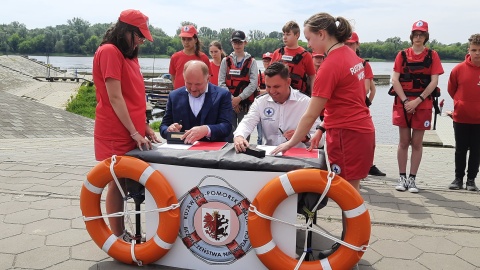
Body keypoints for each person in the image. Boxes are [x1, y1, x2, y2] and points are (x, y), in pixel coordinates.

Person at [271, 12, 375, 194]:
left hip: (346, 135)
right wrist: (321, 129)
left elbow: (311, 114)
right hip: (361, 131)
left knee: (347, 196)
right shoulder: (352, 57)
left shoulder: (329, 66)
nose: (308, 44)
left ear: (321, 34)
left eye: (309, 38)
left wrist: (290, 143)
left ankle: (354, 224)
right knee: (353, 193)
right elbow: (349, 100)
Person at [92, 9, 160, 238]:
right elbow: (115, 97)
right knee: (117, 183)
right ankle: (119, 235)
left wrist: (145, 127)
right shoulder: (110, 51)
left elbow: (134, 96)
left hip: (132, 128)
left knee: (126, 182)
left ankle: (132, 232)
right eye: (139, 36)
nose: (141, 41)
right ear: (125, 31)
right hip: (115, 130)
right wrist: (133, 132)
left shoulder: (130, 56)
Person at [391, 20, 444, 193]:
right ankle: (402, 177)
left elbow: (434, 81)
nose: (418, 37)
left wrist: (418, 100)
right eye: (415, 34)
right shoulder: (402, 55)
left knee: (417, 142)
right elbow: (395, 80)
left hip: (423, 103)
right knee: (403, 141)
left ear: (426, 36)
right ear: (412, 36)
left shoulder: (432, 55)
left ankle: (412, 179)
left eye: (421, 34)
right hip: (404, 103)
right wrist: (407, 101)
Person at [233, 62, 320, 150]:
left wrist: (305, 137)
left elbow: (321, 140)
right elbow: (247, 122)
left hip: (298, 158)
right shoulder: (260, 101)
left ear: (288, 82)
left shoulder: (306, 102)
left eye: (276, 86)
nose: (272, 91)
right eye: (268, 86)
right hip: (269, 157)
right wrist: (239, 136)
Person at [160, 60, 233, 143]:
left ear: (208, 79)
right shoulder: (174, 96)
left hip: (212, 151)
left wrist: (206, 130)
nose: (193, 88)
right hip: (182, 151)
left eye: (198, 84)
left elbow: (226, 127)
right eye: (189, 83)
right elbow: (163, 126)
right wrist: (169, 130)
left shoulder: (222, 95)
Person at [345, 32, 386, 177]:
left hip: (359, 108)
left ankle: (367, 166)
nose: (349, 46)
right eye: (346, 44)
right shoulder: (339, 62)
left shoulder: (363, 64)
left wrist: (368, 102)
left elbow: (367, 88)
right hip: (344, 109)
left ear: (357, 45)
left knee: (368, 140)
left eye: (352, 44)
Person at [447, 33, 480, 191]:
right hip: (461, 118)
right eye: (474, 50)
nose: (477, 53)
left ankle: (471, 180)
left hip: (479, 120)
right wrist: (461, 104)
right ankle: (458, 179)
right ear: (469, 50)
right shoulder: (458, 69)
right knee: (460, 149)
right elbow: (452, 89)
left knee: (476, 150)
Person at [218, 30, 259, 132]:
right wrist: (233, 100)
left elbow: (253, 83)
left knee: (244, 132)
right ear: (231, 43)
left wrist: (239, 98)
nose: (237, 45)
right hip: (229, 103)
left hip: (245, 105)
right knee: (229, 132)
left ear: (245, 43)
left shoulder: (252, 62)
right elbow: (221, 82)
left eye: (240, 42)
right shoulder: (225, 61)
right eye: (235, 42)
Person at [270, 21, 316, 96]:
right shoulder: (277, 53)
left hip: (299, 98)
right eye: (283, 34)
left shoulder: (306, 55)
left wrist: (313, 97)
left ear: (297, 35)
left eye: (288, 34)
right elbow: (269, 76)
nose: (284, 37)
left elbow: (312, 77)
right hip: (277, 96)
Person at [169, 25, 212, 89]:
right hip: (180, 94)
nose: (186, 42)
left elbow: (208, 78)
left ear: (195, 40)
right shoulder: (175, 57)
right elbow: (173, 76)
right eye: (183, 39)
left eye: (189, 39)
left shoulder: (203, 58)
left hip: (197, 93)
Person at [256, 52, 272, 145]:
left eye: (269, 60)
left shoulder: (277, 77)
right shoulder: (260, 76)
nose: (267, 63)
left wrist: (264, 91)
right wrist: (269, 91)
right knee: (260, 135)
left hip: (273, 105)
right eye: (265, 61)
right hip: (262, 105)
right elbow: (256, 91)